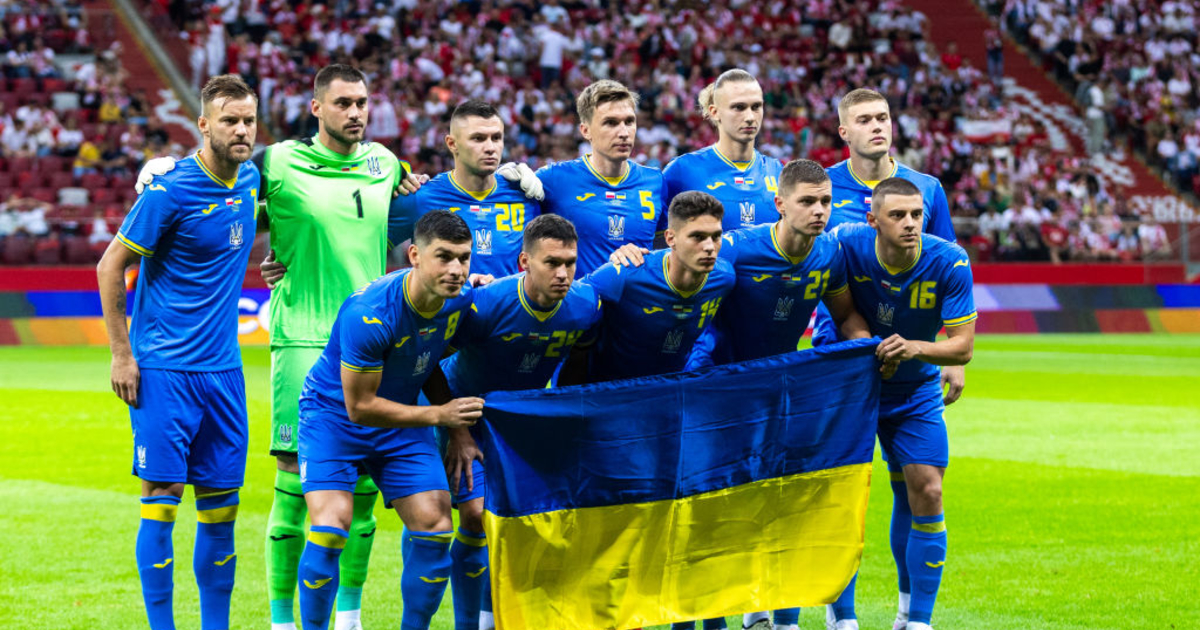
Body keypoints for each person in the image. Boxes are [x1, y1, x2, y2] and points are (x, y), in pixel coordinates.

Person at [134, 64, 423, 630]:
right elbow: (220, 186)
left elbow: (416, 201)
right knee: (294, 478)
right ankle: (280, 620)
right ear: (316, 108)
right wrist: (163, 165)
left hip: (372, 338)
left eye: (362, 102)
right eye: (343, 103)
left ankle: (349, 615)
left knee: (364, 484)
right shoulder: (278, 162)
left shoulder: (386, 163)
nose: (356, 112)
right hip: (301, 339)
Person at [96, 74, 259, 630]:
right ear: (204, 125)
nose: (242, 130)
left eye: (248, 120)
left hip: (225, 373)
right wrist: (122, 354)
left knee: (222, 507)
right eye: (230, 120)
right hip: (165, 369)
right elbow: (110, 266)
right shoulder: (169, 190)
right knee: (163, 496)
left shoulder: (252, 179)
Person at [295, 210, 482, 630]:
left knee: (436, 526)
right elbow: (360, 407)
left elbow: (426, 361)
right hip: (334, 418)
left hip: (402, 420)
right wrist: (441, 416)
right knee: (330, 528)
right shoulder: (370, 313)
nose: (456, 269)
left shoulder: (460, 300)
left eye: (464, 258)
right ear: (414, 255)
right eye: (444, 257)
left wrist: (460, 432)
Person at [819, 89, 965, 630]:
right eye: (864, 119)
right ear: (844, 131)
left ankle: (910, 615)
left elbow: (942, 265)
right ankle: (842, 616)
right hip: (843, 359)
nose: (877, 126)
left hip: (910, 364)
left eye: (883, 117)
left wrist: (953, 356)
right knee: (842, 492)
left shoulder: (926, 188)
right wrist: (855, 339)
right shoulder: (822, 187)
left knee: (918, 484)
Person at [437, 214, 602, 630]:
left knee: (515, 520)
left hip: (519, 421)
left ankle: (491, 620)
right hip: (463, 412)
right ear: (525, 262)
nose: (563, 273)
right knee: (474, 516)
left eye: (570, 263)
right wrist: (455, 430)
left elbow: (579, 362)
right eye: (552, 263)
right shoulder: (486, 306)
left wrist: (562, 419)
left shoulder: (585, 306)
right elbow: (430, 361)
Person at [581, 190, 734, 383]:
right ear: (670, 238)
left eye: (716, 236)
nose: (710, 247)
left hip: (672, 387)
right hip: (612, 389)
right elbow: (571, 301)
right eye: (697, 237)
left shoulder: (724, 278)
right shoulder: (625, 274)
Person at [390, 99, 541, 278]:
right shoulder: (420, 198)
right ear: (452, 144)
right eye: (478, 138)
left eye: (496, 138)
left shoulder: (525, 195)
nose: (490, 148)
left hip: (506, 298)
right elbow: (369, 247)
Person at [537, 80, 667, 275]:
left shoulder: (655, 181)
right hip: (578, 294)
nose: (624, 132)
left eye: (629, 122)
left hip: (638, 295)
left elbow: (663, 249)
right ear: (585, 131)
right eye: (610, 123)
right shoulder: (552, 180)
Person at [662, 69, 784, 232]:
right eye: (739, 107)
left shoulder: (777, 171)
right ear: (715, 112)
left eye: (756, 107)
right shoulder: (682, 171)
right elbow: (655, 238)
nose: (750, 117)